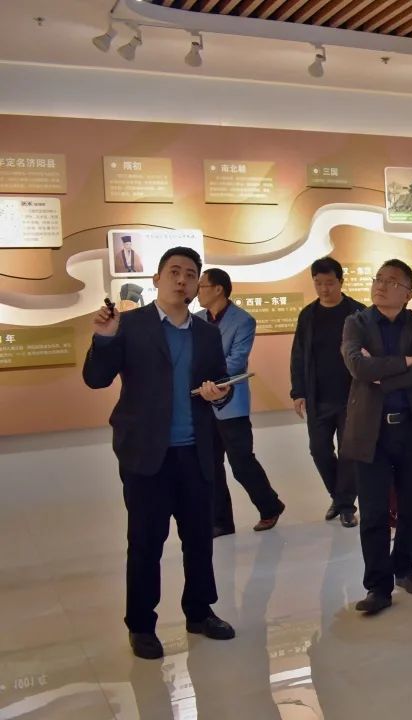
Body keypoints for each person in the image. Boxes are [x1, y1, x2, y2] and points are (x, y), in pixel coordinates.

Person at [83, 246, 236, 660]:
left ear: (198, 283)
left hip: (196, 452)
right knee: (146, 542)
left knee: (199, 539)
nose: (182, 280)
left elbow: (222, 382)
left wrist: (219, 392)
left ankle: (200, 612)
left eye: (190, 274)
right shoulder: (129, 325)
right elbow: (96, 379)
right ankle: (141, 625)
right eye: (174, 271)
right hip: (146, 454)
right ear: (156, 279)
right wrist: (104, 338)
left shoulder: (206, 333)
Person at [341, 259, 412, 616]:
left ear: (408, 294)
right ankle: (377, 586)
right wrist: (405, 362)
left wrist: (381, 377)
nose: (381, 286)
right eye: (379, 279)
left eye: (392, 281)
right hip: (371, 431)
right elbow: (358, 366)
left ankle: (406, 569)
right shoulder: (356, 323)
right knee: (372, 512)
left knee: (411, 506)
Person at [195, 268, 286, 537]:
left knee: (241, 462)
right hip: (202, 403)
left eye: (201, 286)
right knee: (210, 465)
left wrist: (206, 378)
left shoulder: (243, 320)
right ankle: (221, 522)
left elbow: (237, 360)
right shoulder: (196, 320)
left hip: (231, 402)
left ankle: (270, 506)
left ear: (218, 289)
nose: (197, 292)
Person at [289, 257, 365, 527]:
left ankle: (345, 506)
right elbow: (298, 355)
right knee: (318, 450)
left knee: (349, 452)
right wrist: (298, 392)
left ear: (341, 282)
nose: (324, 289)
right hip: (318, 395)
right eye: (318, 283)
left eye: (330, 283)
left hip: (352, 396)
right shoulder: (308, 315)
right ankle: (339, 496)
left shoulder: (358, 312)